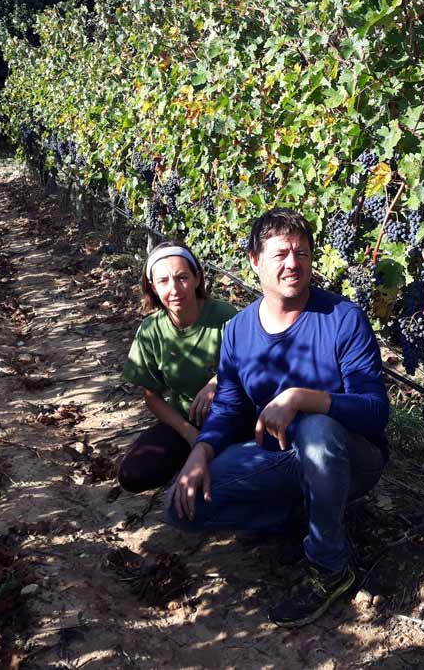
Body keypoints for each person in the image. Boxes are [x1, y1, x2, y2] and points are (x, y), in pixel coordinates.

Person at [164, 209, 390, 627]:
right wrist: (200, 452)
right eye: (281, 254)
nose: (293, 264)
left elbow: (375, 412)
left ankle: (330, 565)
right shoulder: (238, 330)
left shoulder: (343, 319)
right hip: (281, 456)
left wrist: (300, 399)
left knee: (316, 429)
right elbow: (230, 406)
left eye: (302, 253)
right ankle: (302, 513)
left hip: (352, 458)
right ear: (254, 260)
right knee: (181, 509)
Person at [117, 241, 237, 494]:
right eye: (163, 281)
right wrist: (190, 435)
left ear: (197, 279)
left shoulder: (225, 316)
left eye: (182, 277)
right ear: (153, 287)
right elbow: (151, 396)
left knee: (229, 473)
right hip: (186, 419)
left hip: (231, 415)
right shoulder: (151, 330)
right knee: (133, 474)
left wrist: (217, 382)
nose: (174, 289)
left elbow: (250, 364)